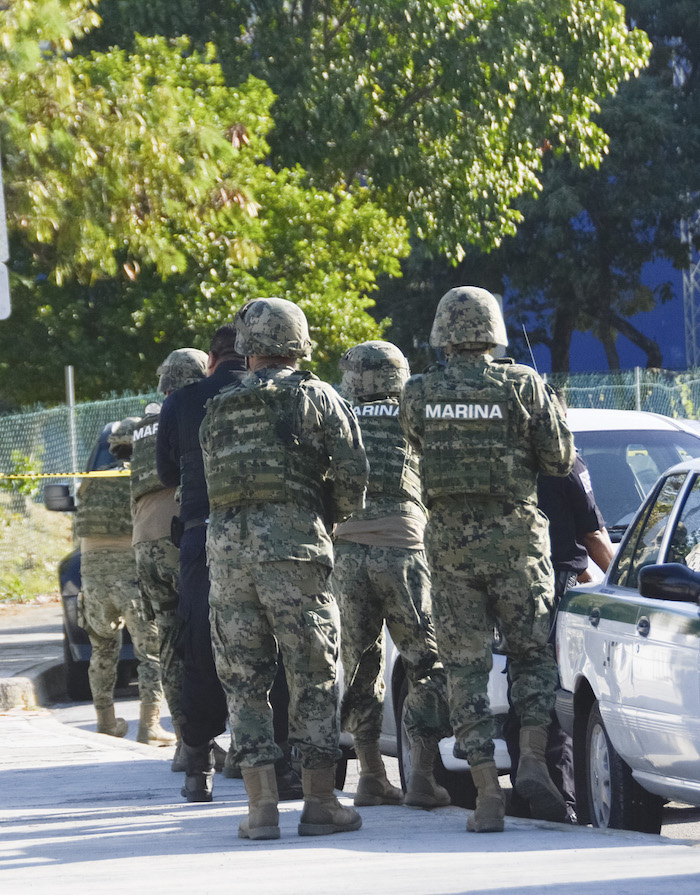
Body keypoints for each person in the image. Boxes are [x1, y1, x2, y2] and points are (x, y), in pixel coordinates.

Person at [399, 286, 575, 833]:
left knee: (464, 669)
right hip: (517, 543)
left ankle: (486, 794)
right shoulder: (522, 385)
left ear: (442, 333)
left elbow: (416, 443)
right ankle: (530, 757)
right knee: (531, 656)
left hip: (450, 548)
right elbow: (560, 460)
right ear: (494, 332)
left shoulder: (419, 392)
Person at [200, 297, 368, 840]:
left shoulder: (218, 407)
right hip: (294, 551)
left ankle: (260, 807)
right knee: (312, 673)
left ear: (248, 348)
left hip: (227, 558)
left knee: (244, 679)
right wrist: (325, 517)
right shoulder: (317, 397)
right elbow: (352, 476)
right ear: (297, 342)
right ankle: (320, 802)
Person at [156, 325, 299, 803]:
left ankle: (198, 768)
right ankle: (281, 767)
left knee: (201, 648)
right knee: (277, 650)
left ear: (211, 360)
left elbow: (166, 472)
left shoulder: (186, 400)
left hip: (202, 539)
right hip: (276, 537)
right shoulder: (286, 392)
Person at [334, 340, 451, 809]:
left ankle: (370, 777)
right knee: (429, 663)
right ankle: (420, 776)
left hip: (346, 554)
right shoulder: (413, 415)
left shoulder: (338, 419)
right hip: (404, 551)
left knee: (359, 667)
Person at [506, 388, 615, 822]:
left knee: (522, 687)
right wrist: (622, 581)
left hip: (506, 586)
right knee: (560, 691)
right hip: (556, 587)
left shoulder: (504, 462)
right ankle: (563, 802)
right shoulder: (565, 461)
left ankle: (525, 793)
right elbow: (592, 535)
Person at [130, 348, 208, 763]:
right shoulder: (192, 412)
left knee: (171, 645)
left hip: (143, 542)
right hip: (182, 537)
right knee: (210, 640)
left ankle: (186, 744)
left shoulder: (141, 425)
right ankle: (227, 743)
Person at [76, 417, 172, 745]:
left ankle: (105, 721)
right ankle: (150, 725)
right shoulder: (143, 477)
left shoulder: (89, 481)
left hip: (91, 572)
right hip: (130, 574)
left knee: (102, 647)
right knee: (151, 652)